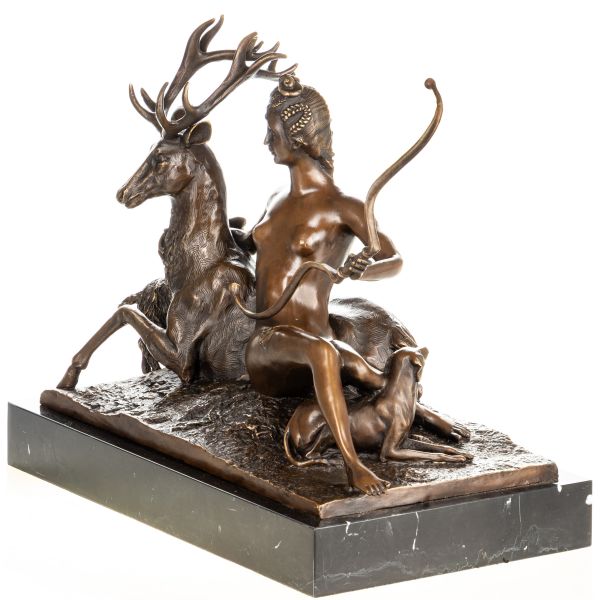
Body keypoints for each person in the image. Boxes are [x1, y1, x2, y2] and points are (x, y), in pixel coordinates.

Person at [236, 75, 435, 495]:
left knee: (373, 376)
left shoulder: (344, 207)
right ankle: (352, 465)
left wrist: (364, 270)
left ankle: (431, 422)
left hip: (315, 338)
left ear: (299, 136)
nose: (266, 141)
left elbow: (394, 259)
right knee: (324, 353)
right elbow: (252, 245)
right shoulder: (275, 199)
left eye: (272, 132)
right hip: (269, 345)